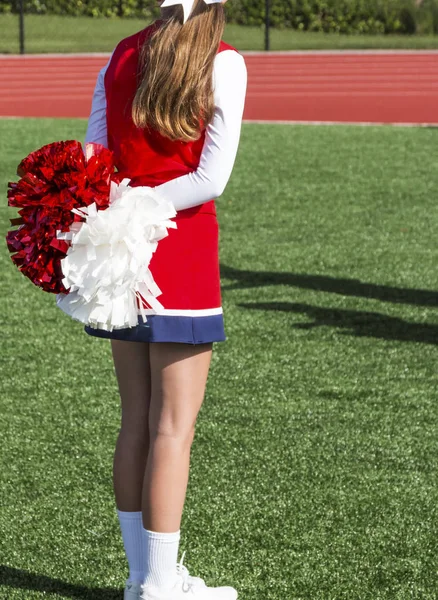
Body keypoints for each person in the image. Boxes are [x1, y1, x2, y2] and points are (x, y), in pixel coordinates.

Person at [82, 0, 247, 599]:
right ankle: (157, 585)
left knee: (136, 422)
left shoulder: (122, 52)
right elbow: (210, 179)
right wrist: (144, 209)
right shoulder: (223, 61)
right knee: (171, 429)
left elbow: (93, 157)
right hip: (179, 253)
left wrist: (122, 209)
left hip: (121, 253)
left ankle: (143, 576)